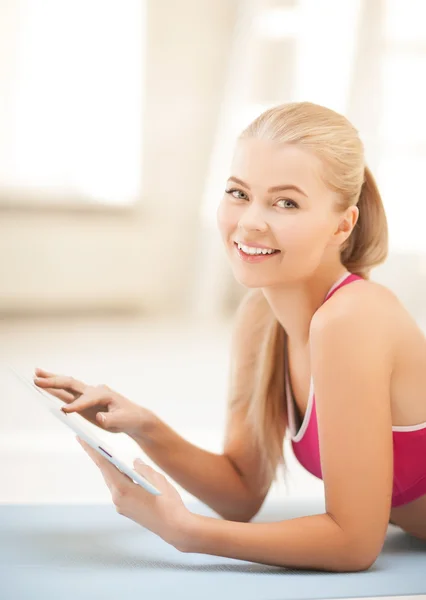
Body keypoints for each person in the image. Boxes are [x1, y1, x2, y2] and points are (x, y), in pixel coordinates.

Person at [33, 101, 426, 572]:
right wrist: (144, 426)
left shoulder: (350, 319)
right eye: (239, 193)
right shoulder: (261, 317)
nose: (250, 222)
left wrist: (186, 531)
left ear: (343, 225)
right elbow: (241, 491)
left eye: (286, 202)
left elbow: (353, 544)